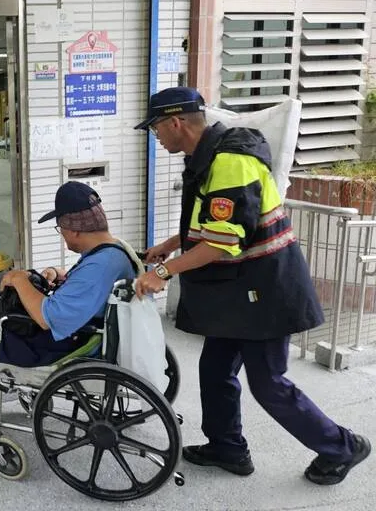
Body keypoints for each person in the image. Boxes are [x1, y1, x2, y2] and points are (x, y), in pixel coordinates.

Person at [134, 86, 370, 485]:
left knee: (268, 384)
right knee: (214, 370)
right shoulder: (207, 156)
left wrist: (163, 272)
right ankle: (227, 447)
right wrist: (172, 243)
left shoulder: (231, 161)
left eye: (156, 128)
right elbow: (213, 220)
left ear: (176, 122)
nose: (155, 136)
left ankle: (342, 447)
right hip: (239, 291)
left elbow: (225, 241)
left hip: (266, 290)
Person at [0, 181, 138, 430]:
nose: (62, 235)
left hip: (69, 344)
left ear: (75, 230)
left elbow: (47, 319)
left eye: (61, 229)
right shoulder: (114, 251)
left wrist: (19, 280)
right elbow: (87, 286)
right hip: (89, 330)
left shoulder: (98, 267)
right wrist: (59, 274)